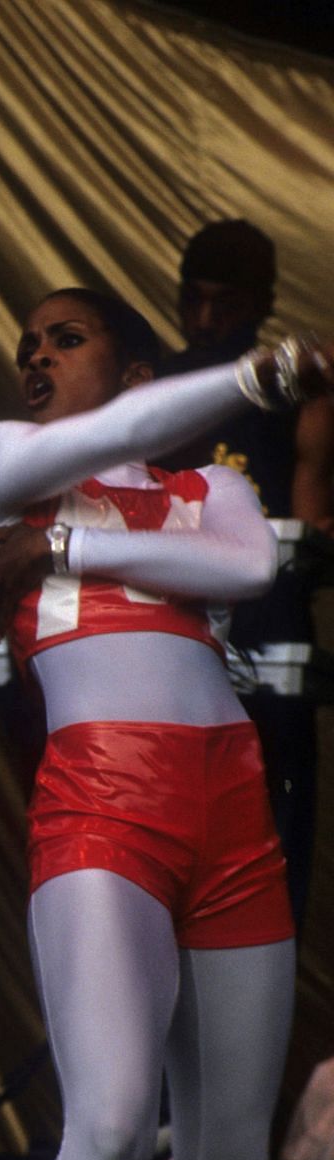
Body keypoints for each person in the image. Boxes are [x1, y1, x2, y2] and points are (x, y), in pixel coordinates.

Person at [0, 288, 332, 1160]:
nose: (35, 356)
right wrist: (262, 377)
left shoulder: (215, 487)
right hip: (103, 806)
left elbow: (249, 564)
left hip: (236, 816)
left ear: (135, 375)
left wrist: (76, 548)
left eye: (65, 340)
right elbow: (126, 444)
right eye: (26, 343)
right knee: (117, 1131)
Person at [153, 219, 333, 917]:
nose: (203, 320)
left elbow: (307, 533)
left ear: (262, 304)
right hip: (165, 651)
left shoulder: (301, 399)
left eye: (223, 303)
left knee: (262, 882)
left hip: (262, 653)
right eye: (190, 299)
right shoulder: (150, 391)